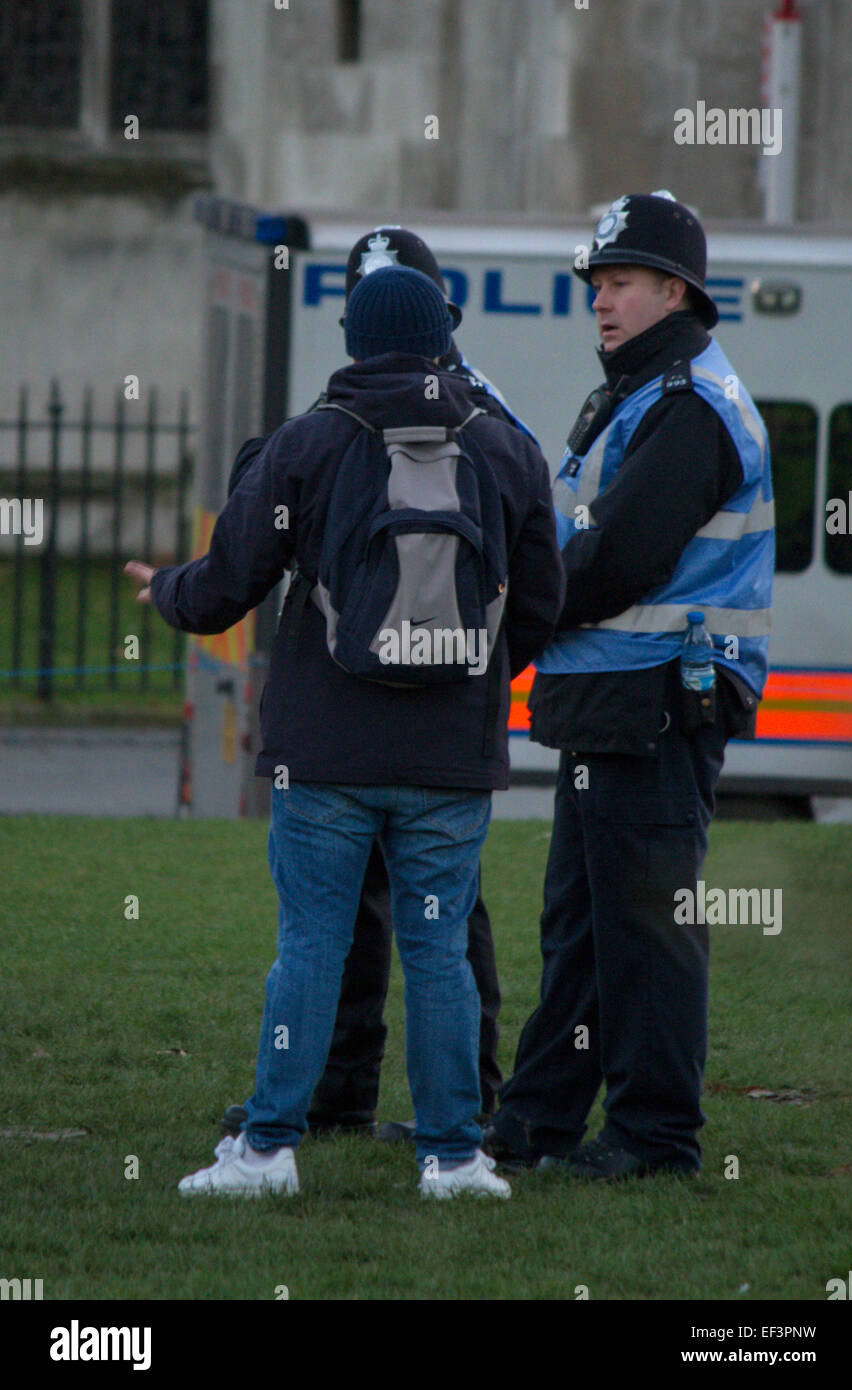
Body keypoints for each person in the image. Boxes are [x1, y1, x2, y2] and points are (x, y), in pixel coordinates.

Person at [126, 264, 564, 1197]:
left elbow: (224, 588)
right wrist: (463, 678)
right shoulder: (509, 449)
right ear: (444, 339)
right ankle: (453, 1157)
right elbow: (540, 609)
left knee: (312, 943)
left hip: (323, 755)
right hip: (451, 758)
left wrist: (163, 589)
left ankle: (269, 1148)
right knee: (441, 950)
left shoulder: (310, 443)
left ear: (355, 342)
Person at [221, 227, 538, 1144]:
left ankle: (318, 1114)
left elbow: (255, 551)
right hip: (445, 744)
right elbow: (537, 587)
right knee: (428, 935)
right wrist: (467, 673)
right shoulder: (492, 423)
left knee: (343, 933)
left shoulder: (339, 419)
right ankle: (394, 1112)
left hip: (337, 737)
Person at [484, 191, 775, 1181]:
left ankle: (654, 1139)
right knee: (580, 926)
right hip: (617, 701)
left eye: (619, 283)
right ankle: (535, 1123)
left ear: (674, 290)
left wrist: (514, 606)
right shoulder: (646, 393)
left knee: (643, 927)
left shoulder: (687, 405)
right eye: (595, 285)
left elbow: (616, 561)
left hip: (654, 700)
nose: (600, 302)